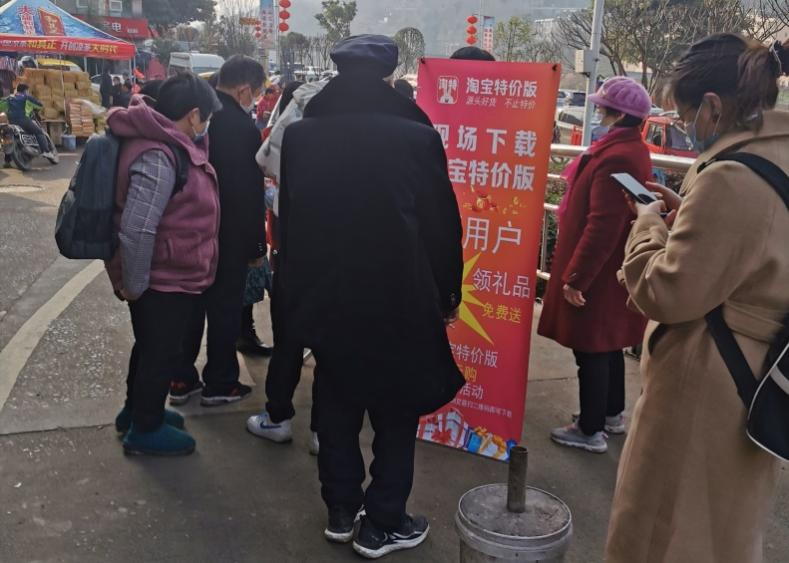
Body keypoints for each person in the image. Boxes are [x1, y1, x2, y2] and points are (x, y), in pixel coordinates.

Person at [249, 35, 464, 559]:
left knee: (336, 399)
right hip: (400, 295)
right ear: (389, 77)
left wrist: (295, 294)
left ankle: (342, 511)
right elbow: (441, 226)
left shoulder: (302, 136)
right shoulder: (417, 136)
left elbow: (291, 220)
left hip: (326, 294)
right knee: (396, 406)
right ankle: (384, 521)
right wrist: (448, 294)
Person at [606, 34, 789, 563]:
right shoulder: (775, 158)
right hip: (755, 377)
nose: (687, 125)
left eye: (685, 114)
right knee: (720, 526)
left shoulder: (730, 177)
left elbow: (666, 290)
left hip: (704, 379)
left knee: (665, 528)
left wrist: (646, 224)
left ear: (712, 105)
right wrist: (688, 212)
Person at [106, 73, 222, 456]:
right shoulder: (159, 154)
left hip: (167, 275)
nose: (206, 125)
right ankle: (146, 428)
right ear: (193, 115)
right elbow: (137, 228)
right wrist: (135, 285)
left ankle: (137, 411)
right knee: (161, 353)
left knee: (150, 347)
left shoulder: (166, 144)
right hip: (161, 278)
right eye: (207, 118)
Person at [537, 76, 651, 454]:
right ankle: (611, 414)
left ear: (618, 113)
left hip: (597, 272)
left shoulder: (616, 155)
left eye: (603, 108)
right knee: (608, 342)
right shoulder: (629, 149)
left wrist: (577, 278)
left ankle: (589, 429)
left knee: (590, 348)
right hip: (609, 268)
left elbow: (603, 223)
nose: (599, 112)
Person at [173, 55, 268, 407]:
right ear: (244, 91)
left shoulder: (197, 118)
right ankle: (220, 381)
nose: (255, 100)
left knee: (190, 306)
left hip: (190, 232)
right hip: (228, 235)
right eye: (257, 93)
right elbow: (249, 193)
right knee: (225, 309)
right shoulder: (243, 129)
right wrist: (256, 245)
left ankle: (180, 379)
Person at [6, 84, 53, 158]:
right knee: (39, 132)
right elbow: (39, 105)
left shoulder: (9, 98)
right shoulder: (26, 97)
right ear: (25, 90)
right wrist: (36, 107)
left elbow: (2, 106)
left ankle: (7, 160)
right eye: (28, 91)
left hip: (12, 122)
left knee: (9, 137)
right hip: (24, 120)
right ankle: (46, 151)